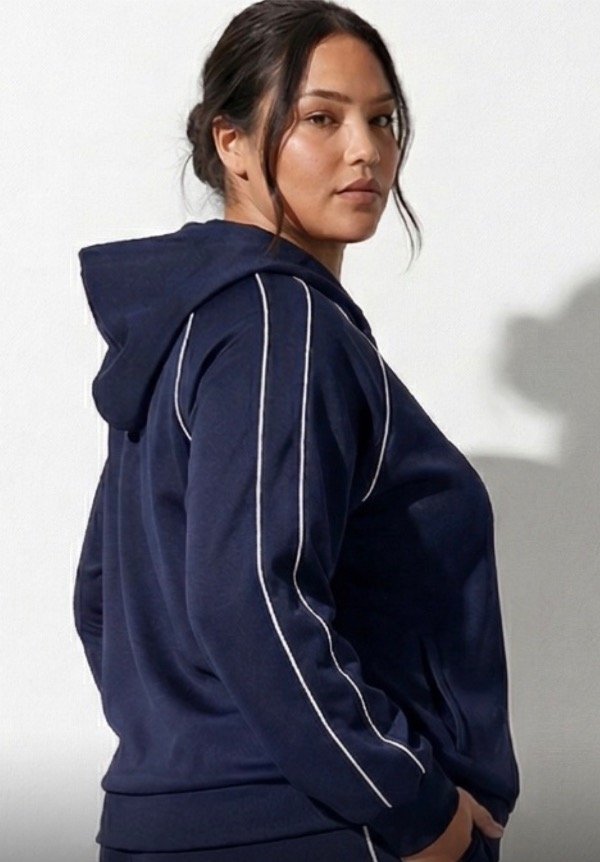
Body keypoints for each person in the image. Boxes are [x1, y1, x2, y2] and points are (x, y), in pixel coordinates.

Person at [73, 1, 520, 860]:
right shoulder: (281, 324)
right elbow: (248, 593)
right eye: (322, 118)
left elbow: (101, 595)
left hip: (161, 824)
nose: (366, 150)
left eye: (382, 119)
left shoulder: (187, 329)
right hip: (316, 827)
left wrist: (187, 752)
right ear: (232, 142)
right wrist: (414, 808)